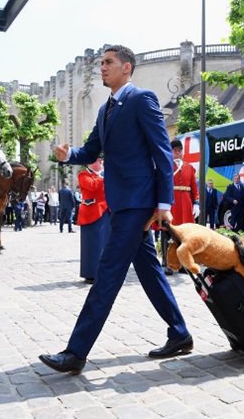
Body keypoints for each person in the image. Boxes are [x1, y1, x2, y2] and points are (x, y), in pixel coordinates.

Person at [40, 45, 192, 375]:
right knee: (151, 273)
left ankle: (76, 352)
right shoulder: (105, 109)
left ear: (126, 67)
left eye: (108, 62)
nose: (102, 68)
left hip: (137, 203)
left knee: (107, 274)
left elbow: (163, 151)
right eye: (102, 63)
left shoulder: (142, 99)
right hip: (123, 201)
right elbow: (91, 149)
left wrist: (164, 204)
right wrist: (67, 155)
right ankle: (179, 333)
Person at [162, 139, 199, 275]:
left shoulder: (189, 167)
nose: (178, 153)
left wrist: (196, 202)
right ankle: (168, 263)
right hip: (172, 202)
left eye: (179, 150)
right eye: (175, 150)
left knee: (184, 235)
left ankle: (183, 264)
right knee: (168, 232)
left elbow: (194, 187)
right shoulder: (166, 166)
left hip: (185, 203)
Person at [77, 157, 109, 284]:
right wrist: (105, 177)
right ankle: (91, 273)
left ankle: (104, 272)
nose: (101, 162)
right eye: (98, 160)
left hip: (106, 211)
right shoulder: (83, 174)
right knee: (92, 245)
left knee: (105, 244)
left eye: (101, 160)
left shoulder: (102, 174)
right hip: (91, 213)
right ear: (90, 162)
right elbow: (93, 186)